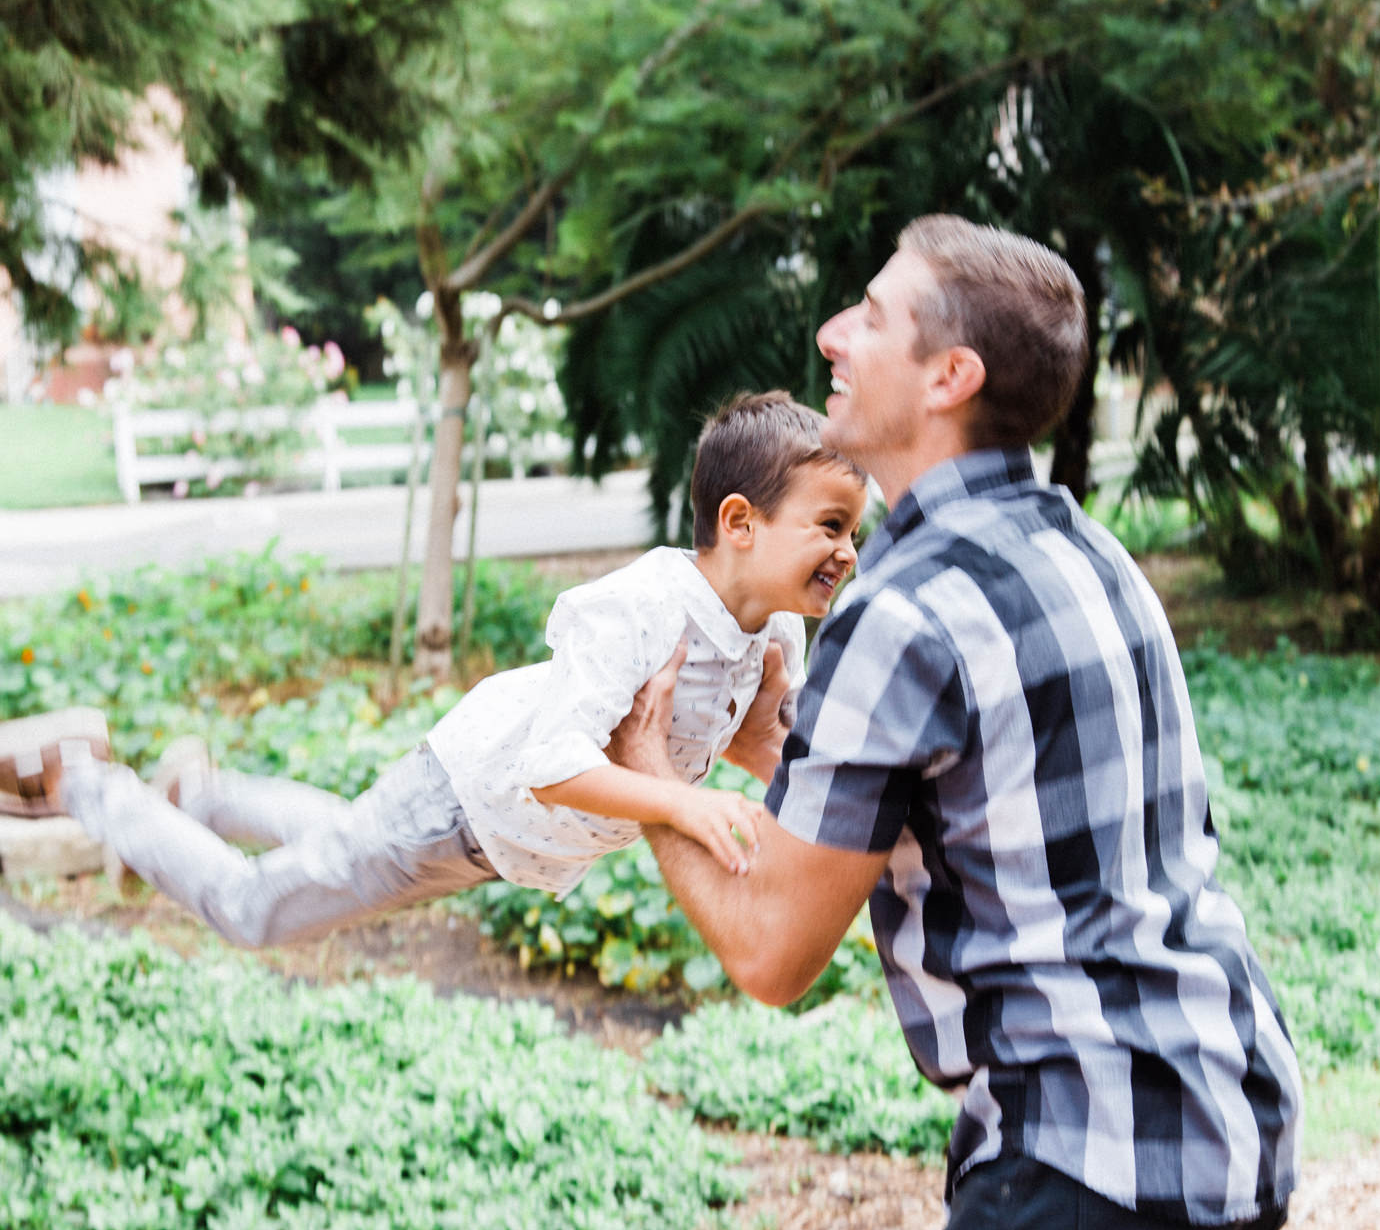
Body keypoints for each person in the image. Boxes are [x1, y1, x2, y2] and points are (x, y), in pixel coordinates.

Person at [606, 217, 1303, 1230]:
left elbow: (767, 950)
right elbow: (964, 799)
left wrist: (644, 782)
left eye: (869, 316)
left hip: (1083, 1155)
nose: (831, 338)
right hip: (1224, 1112)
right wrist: (760, 755)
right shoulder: (1080, 550)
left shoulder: (901, 611)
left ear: (948, 375)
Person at [36, 392, 867, 950]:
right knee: (258, 913)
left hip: (490, 842)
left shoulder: (775, 632)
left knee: (344, 842)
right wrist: (685, 804)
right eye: (829, 524)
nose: (848, 551)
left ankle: (202, 795)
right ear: (740, 521)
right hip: (463, 796)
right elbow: (553, 766)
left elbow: (757, 744)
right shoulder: (647, 608)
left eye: (854, 529)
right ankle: (82, 779)